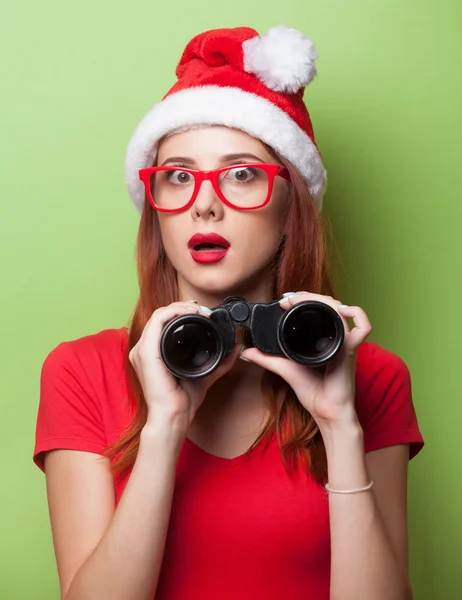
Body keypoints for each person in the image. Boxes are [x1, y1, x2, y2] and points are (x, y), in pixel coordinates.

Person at [33, 25, 424, 600]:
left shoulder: (373, 378)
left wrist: (340, 428)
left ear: (294, 202)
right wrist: (165, 427)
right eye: (179, 177)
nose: (206, 205)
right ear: (155, 207)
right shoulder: (80, 371)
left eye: (242, 173)